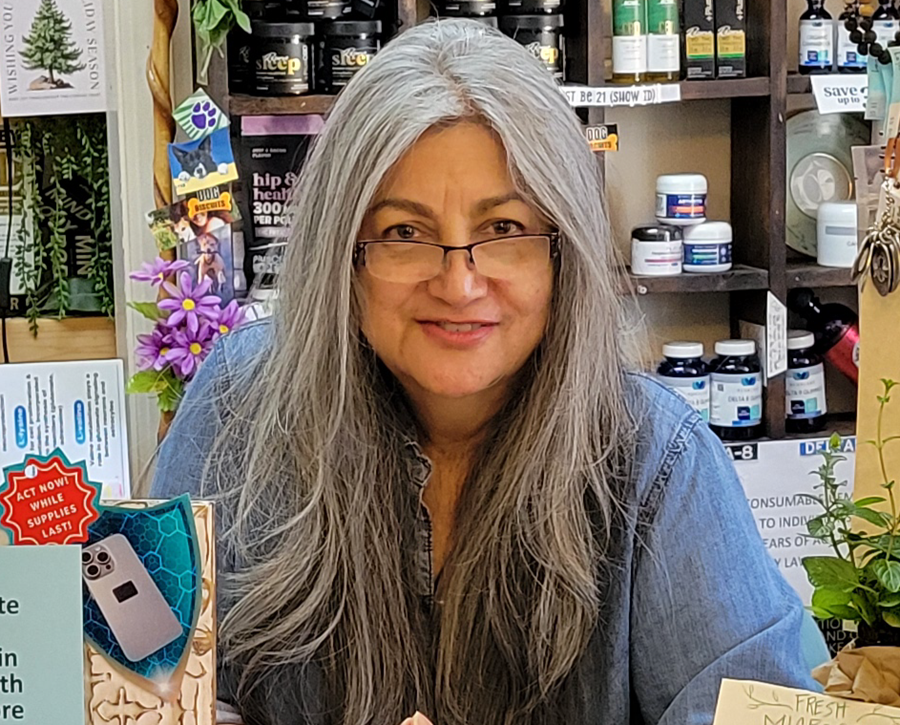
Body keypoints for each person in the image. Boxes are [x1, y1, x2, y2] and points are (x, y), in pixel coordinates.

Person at [151, 18, 818, 725]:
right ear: (341, 257)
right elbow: (141, 679)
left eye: (504, 230)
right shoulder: (239, 404)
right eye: (404, 233)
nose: (459, 283)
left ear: (565, 254)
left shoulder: (660, 461)